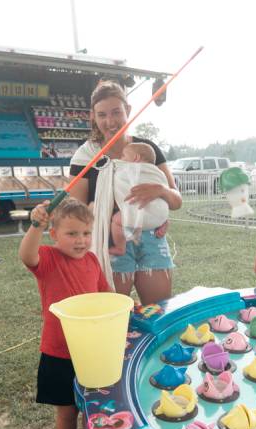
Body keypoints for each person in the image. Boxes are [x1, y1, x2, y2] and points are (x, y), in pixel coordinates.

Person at [19, 197, 111, 429]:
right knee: (67, 409)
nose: (81, 240)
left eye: (86, 233)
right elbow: (26, 255)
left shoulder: (93, 261)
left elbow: (104, 295)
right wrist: (35, 225)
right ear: (54, 234)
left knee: (91, 408)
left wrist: (126, 305)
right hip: (59, 352)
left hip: (91, 350)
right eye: (72, 234)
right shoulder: (48, 258)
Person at [69, 80, 181, 305]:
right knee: (114, 314)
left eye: (116, 112)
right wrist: (101, 214)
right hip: (109, 241)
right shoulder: (85, 157)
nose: (110, 122)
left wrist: (159, 191)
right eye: (102, 115)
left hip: (151, 238)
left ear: (128, 110)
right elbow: (74, 212)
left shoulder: (146, 150)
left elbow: (176, 200)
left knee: (158, 311)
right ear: (93, 116)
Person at [109, 142, 164, 256]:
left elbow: (113, 164)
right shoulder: (158, 172)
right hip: (159, 217)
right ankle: (137, 230)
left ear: (136, 158)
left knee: (116, 220)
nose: (121, 158)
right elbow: (165, 186)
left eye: (123, 155)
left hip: (136, 216)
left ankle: (120, 247)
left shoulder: (126, 167)